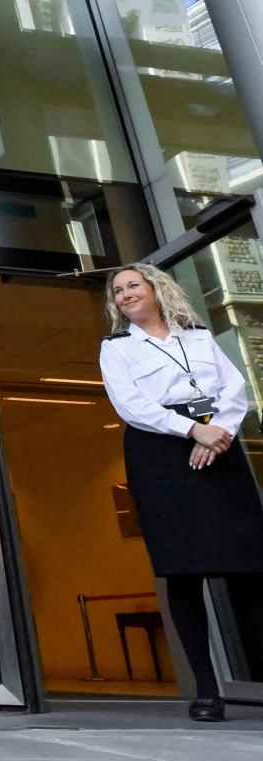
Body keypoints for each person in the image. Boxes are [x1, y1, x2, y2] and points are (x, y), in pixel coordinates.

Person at [100, 262, 263, 722]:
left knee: (249, 568)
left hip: (219, 446)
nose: (126, 294)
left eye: (133, 285)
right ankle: (207, 690)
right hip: (161, 452)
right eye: (118, 290)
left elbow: (233, 388)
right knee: (183, 570)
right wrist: (193, 430)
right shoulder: (116, 348)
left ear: (156, 288)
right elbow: (132, 405)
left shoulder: (198, 336)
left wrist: (219, 433)